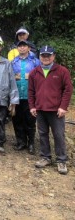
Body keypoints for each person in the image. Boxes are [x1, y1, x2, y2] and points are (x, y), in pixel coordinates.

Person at [29, 46, 73, 175]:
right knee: (42, 134)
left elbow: (68, 90)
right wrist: (32, 106)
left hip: (56, 110)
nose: (46, 58)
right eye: (43, 55)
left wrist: (63, 107)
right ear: (39, 57)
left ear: (53, 56)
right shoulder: (34, 72)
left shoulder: (62, 71)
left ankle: (61, 160)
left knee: (58, 135)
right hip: (40, 109)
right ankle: (45, 157)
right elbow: (31, 91)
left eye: (49, 55)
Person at [11, 40, 40, 154]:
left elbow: (41, 76)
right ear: (17, 49)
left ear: (28, 48)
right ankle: (21, 142)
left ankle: (31, 143)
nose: (22, 48)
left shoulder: (35, 62)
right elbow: (9, 76)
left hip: (30, 96)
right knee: (17, 119)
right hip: (17, 96)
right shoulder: (13, 62)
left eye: (24, 46)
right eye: (20, 46)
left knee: (30, 120)